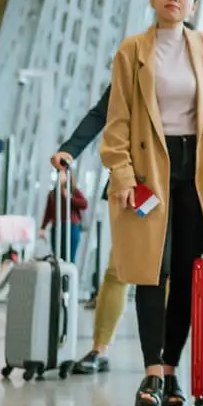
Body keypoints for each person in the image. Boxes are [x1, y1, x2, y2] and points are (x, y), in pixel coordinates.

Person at [100, 0, 203, 406]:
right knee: (147, 270)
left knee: (188, 274)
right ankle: (152, 372)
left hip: (198, 170)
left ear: (193, 5)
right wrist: (121, 174)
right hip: (148, 172)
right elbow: (117, 117)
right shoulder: (132, 51)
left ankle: (173, 367)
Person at [49, 104, 126, 375]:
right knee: (119, 269)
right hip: (131, 181)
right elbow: (101, 112)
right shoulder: (130, 63)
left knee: (169, 272)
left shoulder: (196, 63)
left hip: (178, 180)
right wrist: (69, 149)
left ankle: (166, 360)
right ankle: (99, 348)